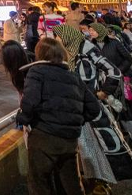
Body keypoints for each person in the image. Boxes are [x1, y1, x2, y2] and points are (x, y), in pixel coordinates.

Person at [54, 24, 132, 186]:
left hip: (90, 107)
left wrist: (104, 92)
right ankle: (93, 180)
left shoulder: (86, 49)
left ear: (67, 36)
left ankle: (102, 181)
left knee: (97, 146)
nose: (57, 39)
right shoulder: (70, 52)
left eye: (58, 36)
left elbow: (113, 71)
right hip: (76, 108)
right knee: (85, 148)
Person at [17, 38, 101, 195]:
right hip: (70, 141)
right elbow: (94, 108)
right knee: (72, 184)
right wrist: (76, 121)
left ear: (40, 54)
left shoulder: (36, 72)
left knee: (39, 182)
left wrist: (23, 119)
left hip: (45, 137)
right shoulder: (74, 77)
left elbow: (30, 102)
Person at [89, 23, 132, 136]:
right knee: (113, 106)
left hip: (123, 78)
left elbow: (128, 59)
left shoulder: (114, 43)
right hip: (105, 81)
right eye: (90, 30)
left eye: (93, 30)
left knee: (130, 104)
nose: (90, 32)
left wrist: (117, 71)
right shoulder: (91, 47)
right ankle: (123, 132)